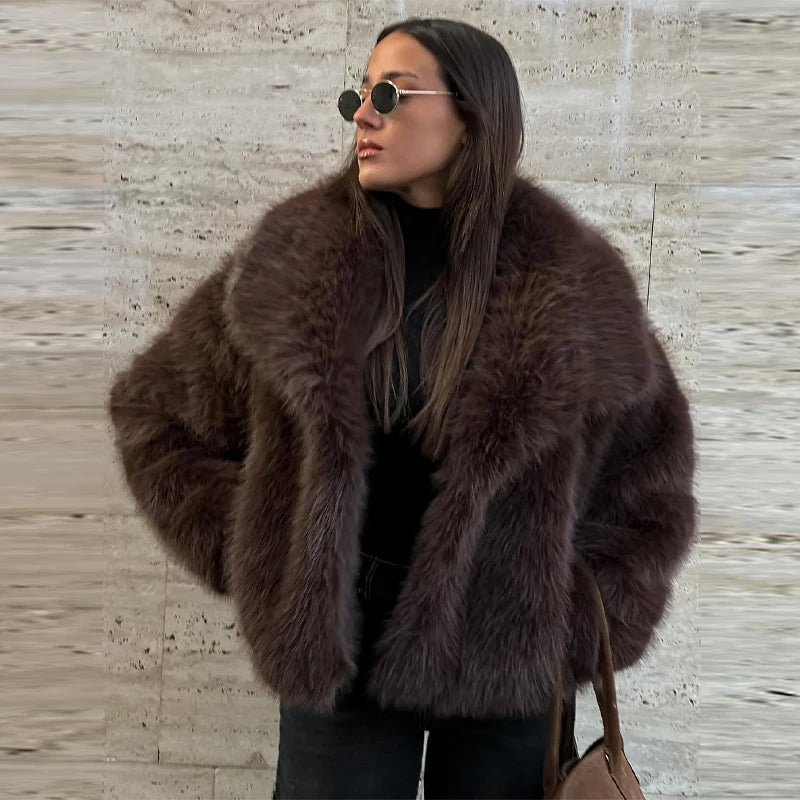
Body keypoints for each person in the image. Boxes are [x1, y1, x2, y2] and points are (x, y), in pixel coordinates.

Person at [106, 17, 699, 800]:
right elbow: (155, 415)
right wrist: (262, 554)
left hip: (507, 662)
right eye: (359, 92)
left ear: (472, 114)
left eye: (392, 92)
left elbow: (650, 482)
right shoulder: (294, 261)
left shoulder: (573, 281)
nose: (364, 113)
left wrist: (582, 625)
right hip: (340, 650)